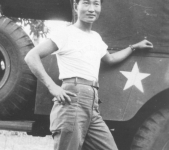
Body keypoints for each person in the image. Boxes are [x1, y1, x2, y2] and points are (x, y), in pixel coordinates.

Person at [25, 0, 153, 149]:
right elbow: (31, 56)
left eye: (96, 4)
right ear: (75, 6)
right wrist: (51, 86)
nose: (92, 9)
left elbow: (110, 59)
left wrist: (134, 47)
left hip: (92, 104)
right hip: (72, 101)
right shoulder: (66, 33)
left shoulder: (95, 37)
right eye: (86, 3)